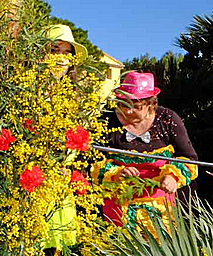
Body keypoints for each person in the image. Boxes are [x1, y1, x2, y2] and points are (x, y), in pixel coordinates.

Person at [92, 72, 198, 231]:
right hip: (119, 205)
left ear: (151, 104)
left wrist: (173, 177)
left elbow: (190, 158)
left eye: (136, 107)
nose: (128, 112)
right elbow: (90, 161)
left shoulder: (167, 119)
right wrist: (116, 173)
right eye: (123, 105)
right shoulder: (106, 121)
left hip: (161, 207)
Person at [41, 24, 88, 252]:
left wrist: (68, 170)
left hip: (60, 182)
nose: (60, 58)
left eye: (66, 53)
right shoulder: (28, 89)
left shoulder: (75, 97)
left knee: (55, 246)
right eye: (54, 51)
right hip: (30, 179)